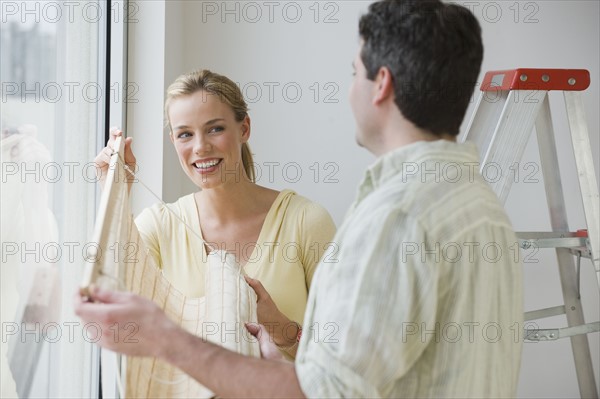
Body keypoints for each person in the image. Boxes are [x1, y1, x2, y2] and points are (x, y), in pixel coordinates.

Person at [76, 1, 524, 397]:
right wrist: (279, 360)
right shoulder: (479, 203)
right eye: (184, 134)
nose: (200, 147)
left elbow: (320, 394)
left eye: (355, 73)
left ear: (381, 84)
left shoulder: (397, 219)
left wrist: (168, 339)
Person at [93, 69, 336, 358]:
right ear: (173, 140)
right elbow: (107, 295)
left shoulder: (306, 222)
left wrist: (279, 327)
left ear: (244, 128)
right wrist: (116, 191)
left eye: (215, 129)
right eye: (185, 134)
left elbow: (345, 353)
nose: (200, 147)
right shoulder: (160, 226)